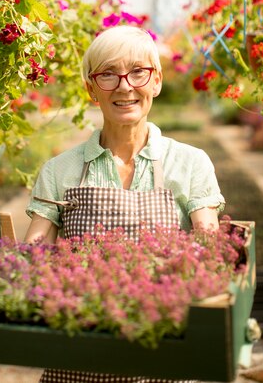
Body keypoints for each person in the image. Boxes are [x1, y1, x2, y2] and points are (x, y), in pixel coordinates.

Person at [25, 25, 225, 383]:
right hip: (80, 352)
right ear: (91, 89)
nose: (124, 85)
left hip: (164, 350)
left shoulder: (190, 163)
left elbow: (208, 248)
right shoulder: (59, 171)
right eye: (108, 74)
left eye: (137, 71)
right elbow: (33, 253)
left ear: (156, 81)